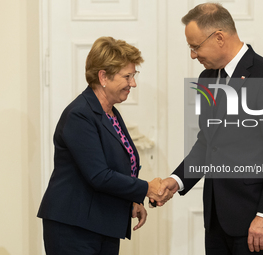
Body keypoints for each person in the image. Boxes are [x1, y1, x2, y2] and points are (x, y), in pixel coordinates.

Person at [158, 3, 263, 255]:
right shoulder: (207, 78)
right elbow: (207, 142)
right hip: (216, 219)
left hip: (254, 219)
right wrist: (176, 180)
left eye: (195, 46)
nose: (192, 55)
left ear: (219, 37)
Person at [37, 36, 172, 255]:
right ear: (103, 77)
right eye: (127, 76)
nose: (133, 83)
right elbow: (99, 175)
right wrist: (147, 188)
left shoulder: (110, 113)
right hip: (74, 228)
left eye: (134, 75)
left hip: (100, 224)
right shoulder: (79, 114)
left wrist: (132, 200)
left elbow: (118, 165)